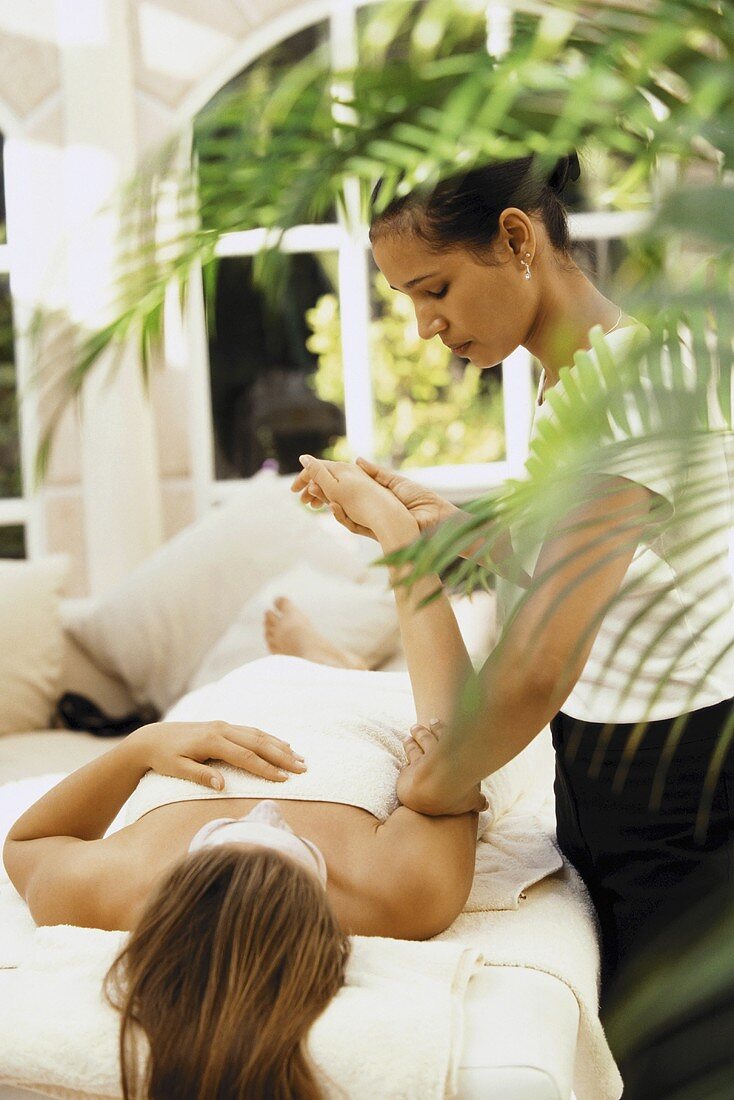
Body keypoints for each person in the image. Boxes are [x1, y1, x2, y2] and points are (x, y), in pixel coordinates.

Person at [291, 151, 734, 1004]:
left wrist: (437, 778)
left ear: (516, 237)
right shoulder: (579, 386)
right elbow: (598, 565)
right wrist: (435, 531)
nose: (423, 325)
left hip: (688, 801)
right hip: (609, 772)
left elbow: (537, 663)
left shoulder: (631, 391)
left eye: (435, 288)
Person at [2, 466, 485, 1100]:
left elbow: (27, 845)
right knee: (448, 699)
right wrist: (399, 538)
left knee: (260, 671)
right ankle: (337, 666)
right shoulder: (399, 894)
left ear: (166, 900)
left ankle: (307, 661)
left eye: (224, 832)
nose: (263, 813)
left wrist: (141, 747)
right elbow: (452, 722)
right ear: (326, 923)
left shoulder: (116, 886)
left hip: (238, 698)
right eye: (289, 844)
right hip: (361, 714)